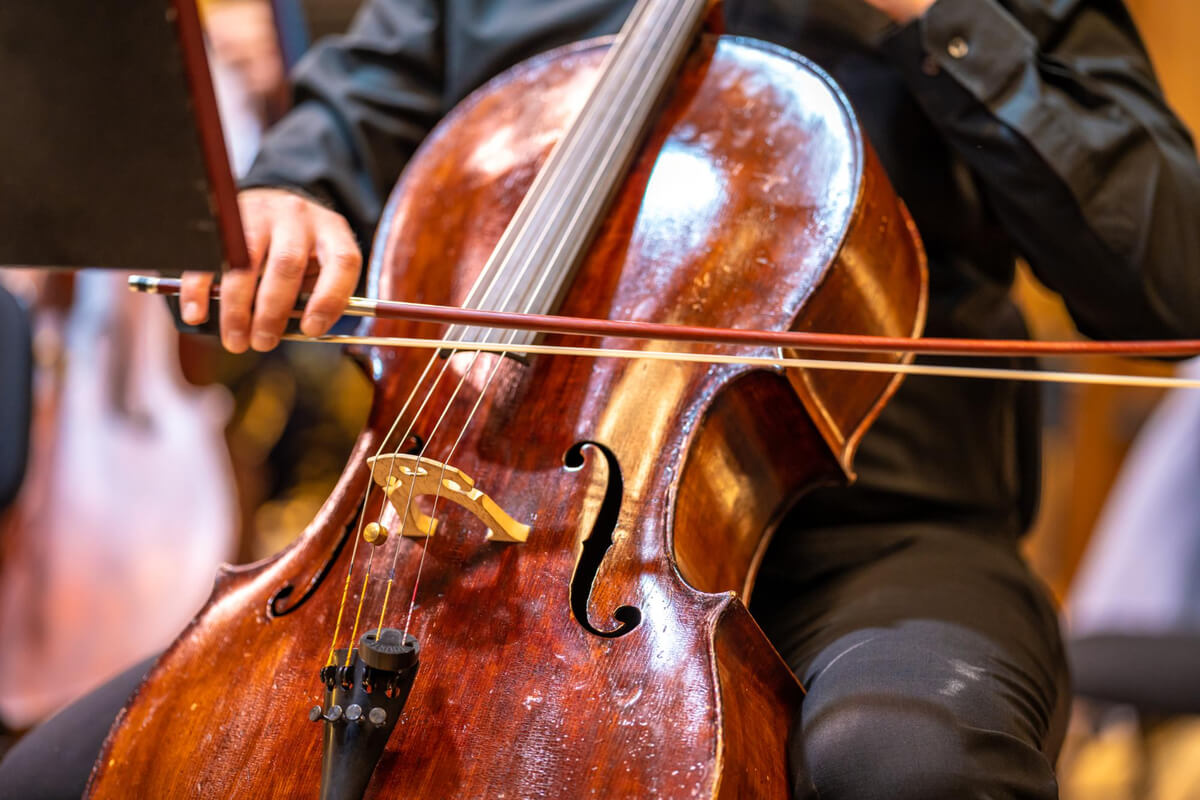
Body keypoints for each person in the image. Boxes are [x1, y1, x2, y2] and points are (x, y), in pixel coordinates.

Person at [3, 1, 1199, 798]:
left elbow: (1169, 278)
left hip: (869, 540)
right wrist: (281, 202)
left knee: (910, 761)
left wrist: (942, 17)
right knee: (62, 771)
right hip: (455, 536)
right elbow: (327, 141)